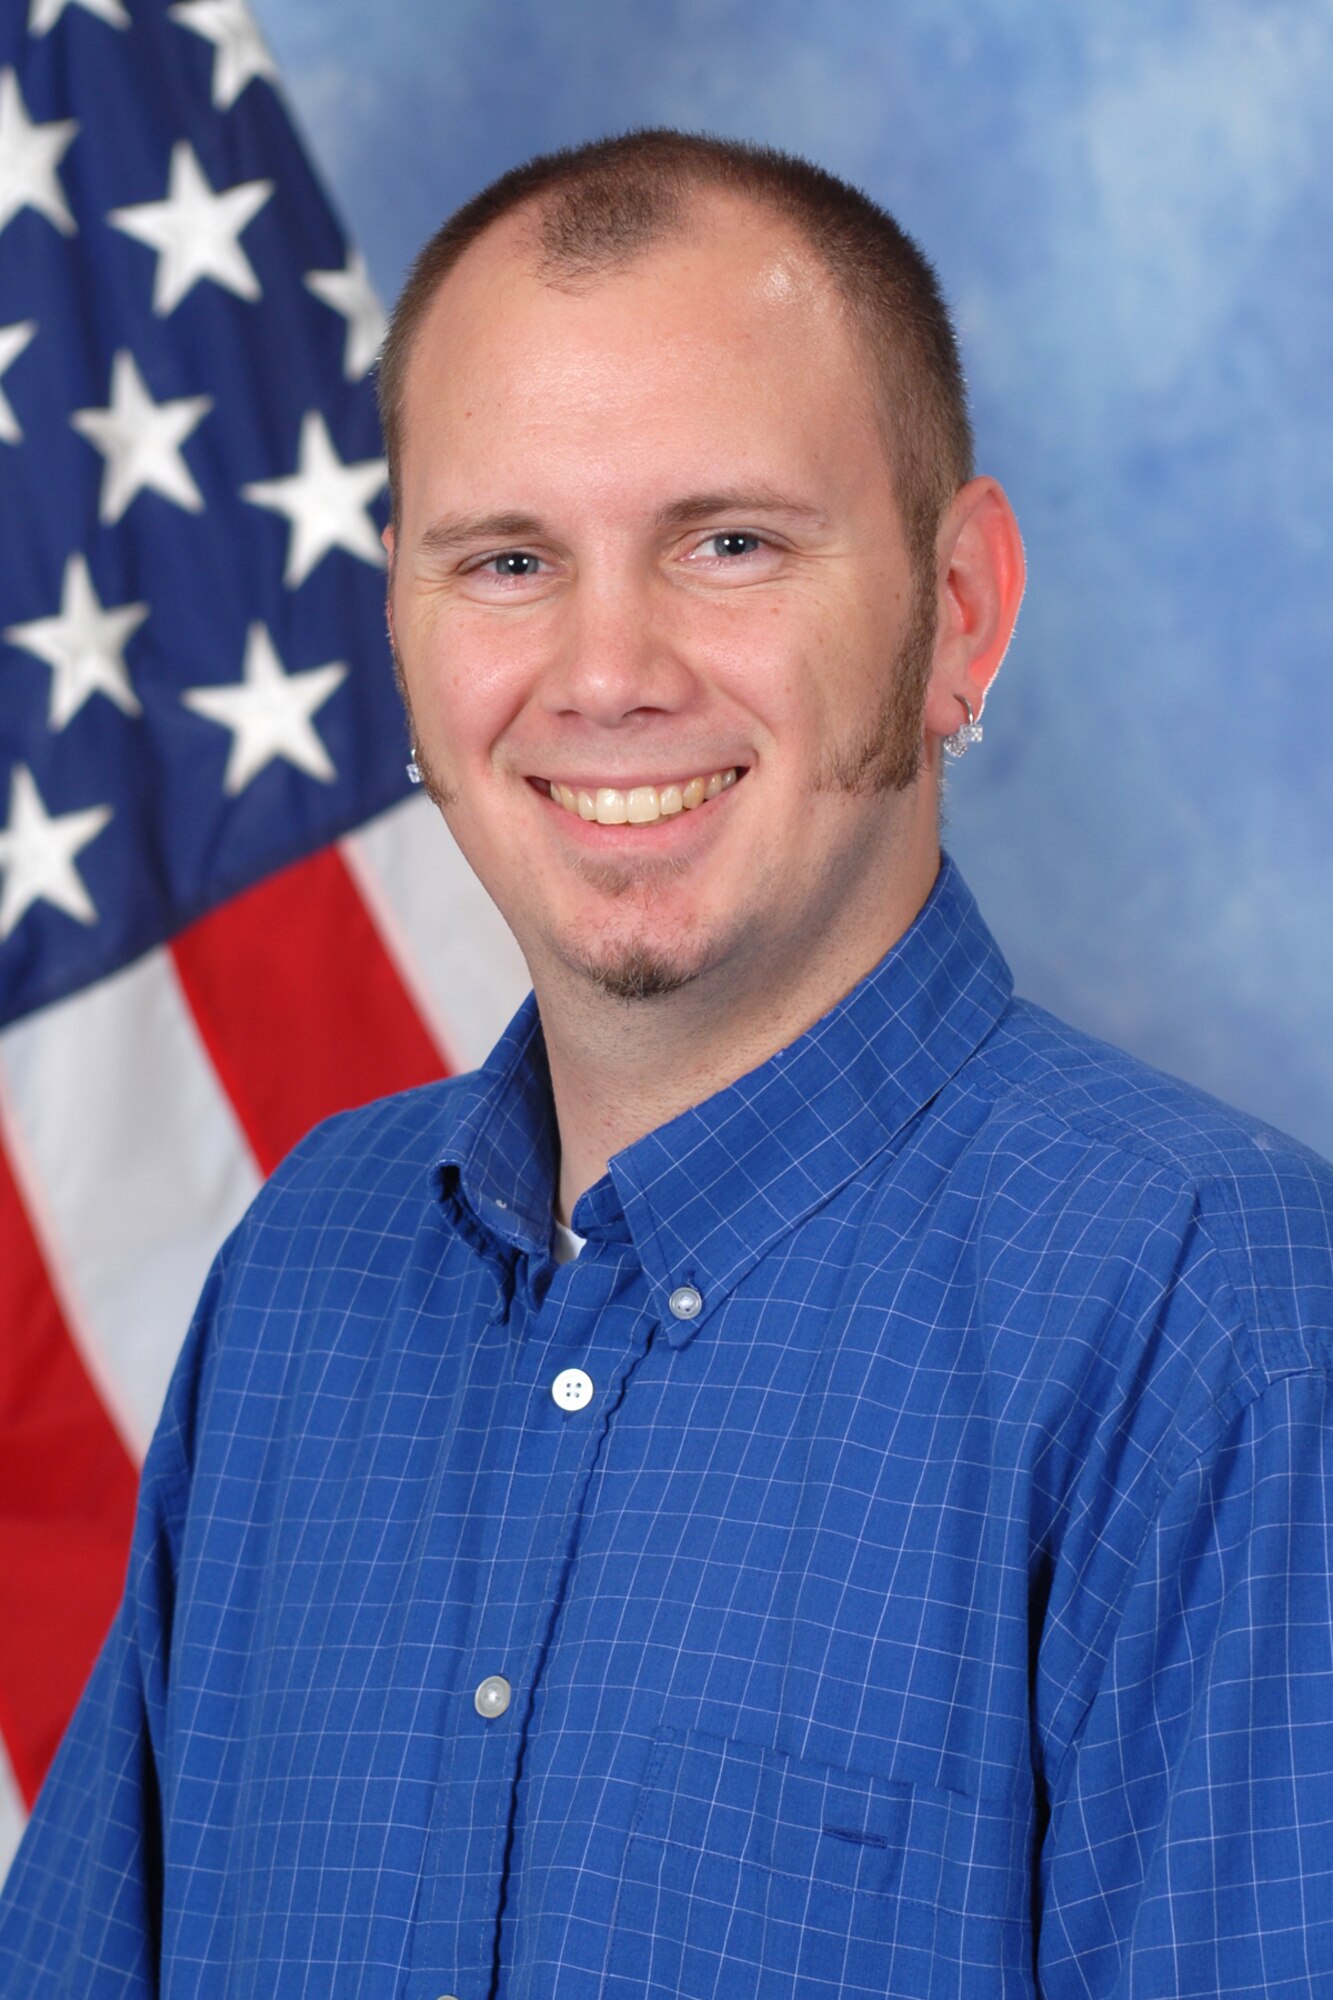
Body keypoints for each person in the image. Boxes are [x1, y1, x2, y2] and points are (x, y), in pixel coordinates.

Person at [3, 128, 1332, 2000]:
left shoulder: (1209, 1310)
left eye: (728, 545)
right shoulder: (305, 1262)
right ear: (399, 618)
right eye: (508, 559)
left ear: (956, 607)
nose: (605, 670)